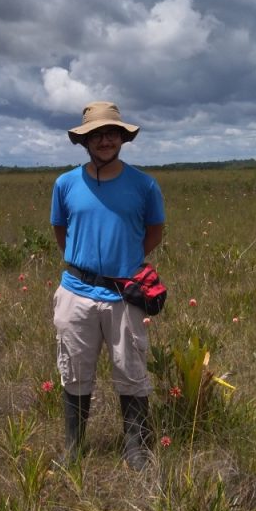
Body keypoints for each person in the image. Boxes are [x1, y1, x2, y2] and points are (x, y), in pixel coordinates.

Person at [50, 101, 166, 470]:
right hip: (76, 292)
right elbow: (60, 230)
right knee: (75, 370)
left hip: (125, 292)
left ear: (122, 138)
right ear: (84, 141)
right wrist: (86, 265)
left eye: (112, 133)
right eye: (97, 134)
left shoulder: (144, 185)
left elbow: (154, 232)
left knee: (131, 370)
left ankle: (135, 447)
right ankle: (73, 446)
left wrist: (123, 263)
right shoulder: (65, 183)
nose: (105, 140)